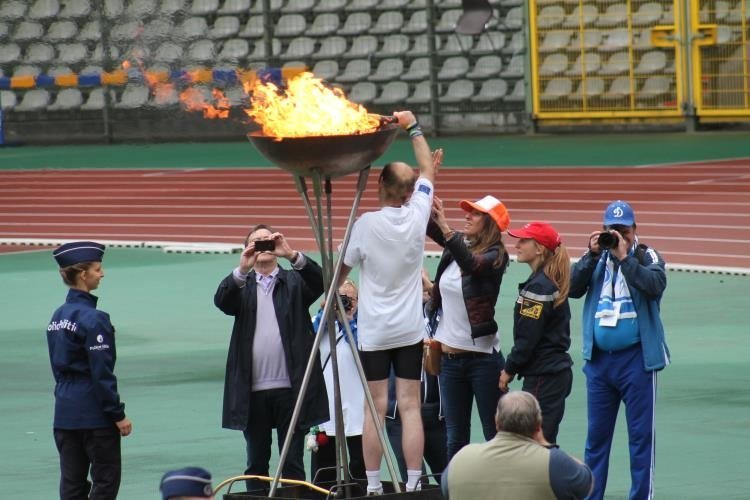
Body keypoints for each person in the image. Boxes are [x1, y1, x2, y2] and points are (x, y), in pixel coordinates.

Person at [338, 110, 440, 494]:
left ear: (380, 185)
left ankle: (373, 484)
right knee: (410, 404)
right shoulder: (418, 214)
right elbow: (427, 169)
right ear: (409, 191)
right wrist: (412, 126)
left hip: (376, 330)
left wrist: (338, 287)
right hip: (410, 327)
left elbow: (341, 273)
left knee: (375, 408)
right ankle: (414, 480)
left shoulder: (364, 225)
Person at [214, 225, 328, 492]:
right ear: (248, 248)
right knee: (256, 464)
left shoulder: (294, 282)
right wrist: (242, 268)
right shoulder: (241, 285)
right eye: (256, 242)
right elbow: (221, 301)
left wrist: (291, 254)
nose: (263, 246)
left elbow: (322, 282)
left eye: (267, 241)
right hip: (252, 391)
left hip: (291, 389)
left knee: (292, 464)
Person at [569, 200, 669, 500]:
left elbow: (655, 284)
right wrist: (591, 254)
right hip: (600, 363)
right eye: (611, 230)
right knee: (596, 439)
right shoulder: (598, 257)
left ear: (634, 229)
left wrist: (625, 258)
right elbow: (572, 288)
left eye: (623, 229)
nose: (618, 235)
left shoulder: (645, 254)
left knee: (640, 438)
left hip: (636, 361)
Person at [426, 194, 510, 461]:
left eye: (475, 214)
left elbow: (472, 265)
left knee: (494, 435)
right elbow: (431, 230)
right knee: (455, 438)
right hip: (450, 361)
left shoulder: (497, 255)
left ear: (489, 223)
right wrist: (420, 200)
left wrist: (447, 228)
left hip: (483, 361)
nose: (467, 216)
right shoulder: (458, 245)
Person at [47, 241, 133, 500]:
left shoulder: (57, 316)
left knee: (71, 485)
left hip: (64, 413)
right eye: (97, 269)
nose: (102, 274)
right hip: (95, 416)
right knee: (105, 482)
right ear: (83, 274)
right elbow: (101, 372)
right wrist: (117, 414)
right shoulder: (95, 319)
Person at [441, 391, 593, 500]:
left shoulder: (460, 459)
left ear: (496, 422)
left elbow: (445, 489)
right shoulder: (554, 463)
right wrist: (546, 445)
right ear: (538, 425)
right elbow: (587, 483)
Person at [500, 222, 573, 445]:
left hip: (544, 375)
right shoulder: (544, 282)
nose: (517, 244)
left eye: (524, 241)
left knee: (536, 442)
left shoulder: (539, 287)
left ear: (539, 248)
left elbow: (527, 339)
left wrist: (509, 369)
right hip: (551, 373)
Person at [385, 269, 447, 487]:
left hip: (435, 412)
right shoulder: (391, 313)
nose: (419, 288)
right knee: (412, 483)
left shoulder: (441, 313)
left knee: (447, 479)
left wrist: (428, 285)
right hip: (398, 414)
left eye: (423, 283)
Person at [308, 279, 366, 485]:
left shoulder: (364, 324)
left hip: (358, 405)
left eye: (350, 299)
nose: (345, 302)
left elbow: (364, 351)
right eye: (341, 298)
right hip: (327, 407)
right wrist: (327, 311)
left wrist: (348, 319)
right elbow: (309, 339)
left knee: (361, 464)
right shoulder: (321, 321)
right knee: (324, 468)